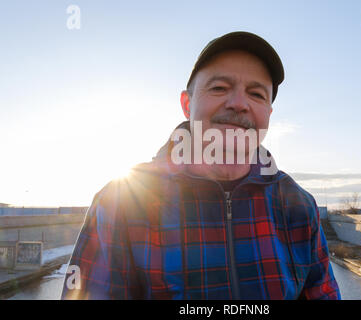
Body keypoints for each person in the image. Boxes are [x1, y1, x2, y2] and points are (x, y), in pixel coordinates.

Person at [61, 31, 341, 300]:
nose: (239, 103)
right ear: (187, 103)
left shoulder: (298, 205)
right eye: (220, 88)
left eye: (256, 94)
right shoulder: (121, 202)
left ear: (268, 113)